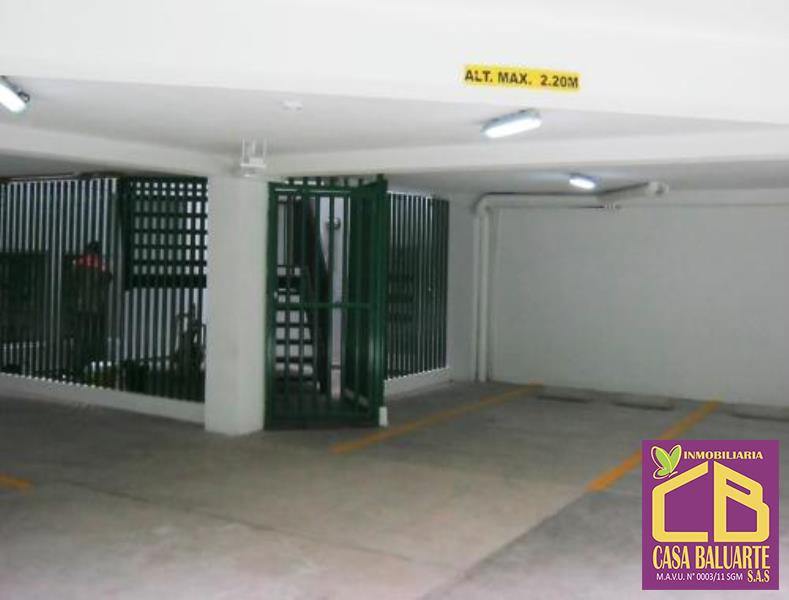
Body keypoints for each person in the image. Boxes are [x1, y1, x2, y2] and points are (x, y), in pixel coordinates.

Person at [69, 241, 112, 379]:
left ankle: (78, 369)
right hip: (97, 309)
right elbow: (109, 277)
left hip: (81, 307)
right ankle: (94, 368)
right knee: (96, 340)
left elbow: (73, 278)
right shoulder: (101, 267)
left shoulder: (78, 264)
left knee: (80, 339)